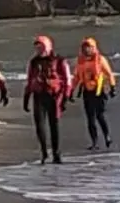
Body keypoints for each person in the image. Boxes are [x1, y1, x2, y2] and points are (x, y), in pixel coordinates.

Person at [23, 35, 73, 164]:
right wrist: (26, 97)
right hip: (39, 96)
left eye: (42, 47)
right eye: (37, 47)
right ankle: (44, 152)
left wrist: (66, 97)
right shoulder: (33, 62)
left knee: (54, 125)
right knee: (40, 126)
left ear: (48, 47)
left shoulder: (59, 60)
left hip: (55, 97)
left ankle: (56, 153)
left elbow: (67, 80)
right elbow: (29, 80)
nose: (39, 50)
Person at [72, 37, 117, 150]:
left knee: (99, 115)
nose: (86, 49)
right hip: (87, 91)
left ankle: (107, 136)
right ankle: (94, 142)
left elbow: (109, 74)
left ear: (94, 48)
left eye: (89, 47)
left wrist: (112, 87)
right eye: (84, 47)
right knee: (90, 118)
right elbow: (77, 78)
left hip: (99, 90)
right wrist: (70, 91)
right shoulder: (80, 62)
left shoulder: (100, 60)